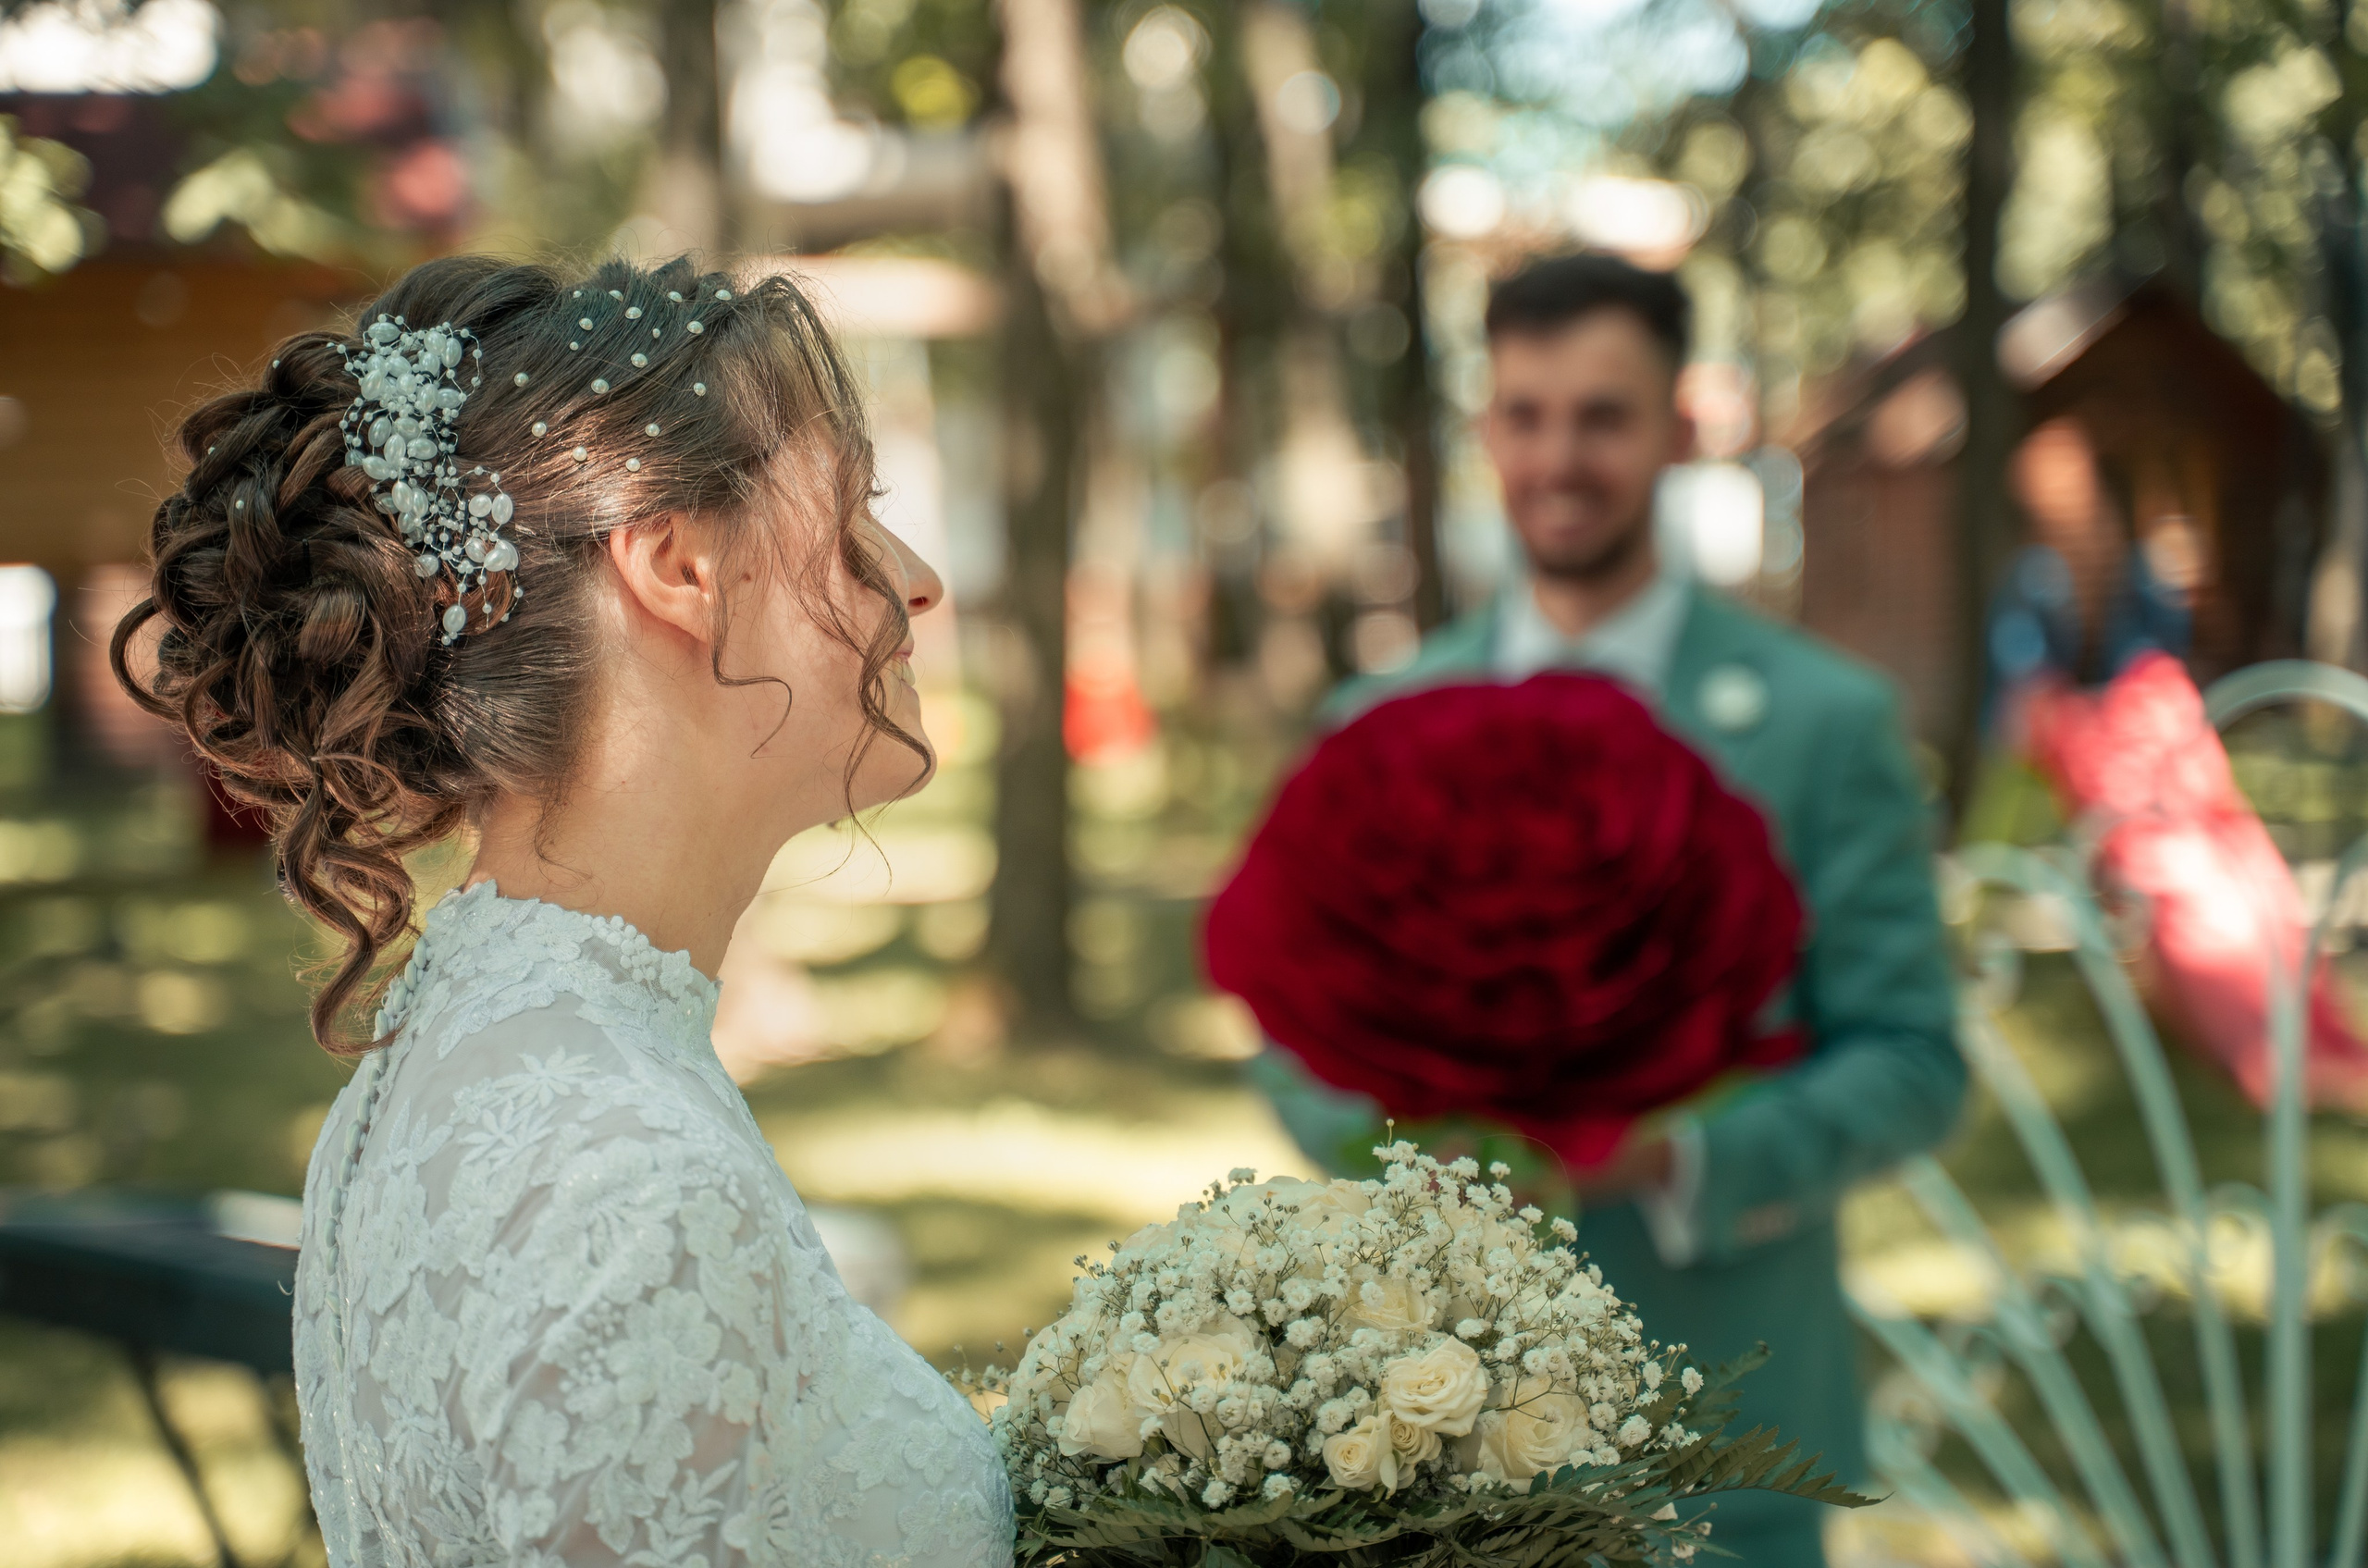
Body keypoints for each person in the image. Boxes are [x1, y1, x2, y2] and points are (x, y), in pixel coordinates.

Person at [112, 255, 1013, 1567]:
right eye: (854, 510)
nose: (916, 579)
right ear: (676, 565)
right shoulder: (625, 1172)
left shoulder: (466, 1063)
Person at [1252, 253, 1964, 1567]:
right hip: (1434, 1451)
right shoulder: (1379, 728)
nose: (1558, 457)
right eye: (1525, 415)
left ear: (1681, 430)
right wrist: (1417, 1150)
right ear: (1486, 432)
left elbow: (1913, 1062)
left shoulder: (1823, 725)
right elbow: (1291, 1041)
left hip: (1729, 1444)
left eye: (1603, 415)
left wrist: (1674, 1160)